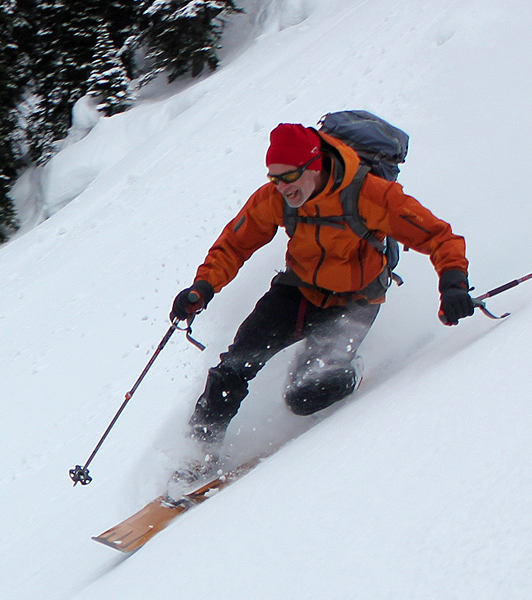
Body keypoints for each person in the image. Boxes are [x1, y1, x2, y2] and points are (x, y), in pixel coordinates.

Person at [169, 122, 474, 480]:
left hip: (356, 299)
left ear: (314, 166)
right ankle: (198, 454)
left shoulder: (370, 195)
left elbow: (439, 236)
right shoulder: (276, 198)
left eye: (289, 177)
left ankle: (350, 369)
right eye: (274, 179)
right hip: (298, 290)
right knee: (234, 366)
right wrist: (203, 286)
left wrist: (453, 282)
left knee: (304, 397)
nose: (282, 188)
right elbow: (235, 244)